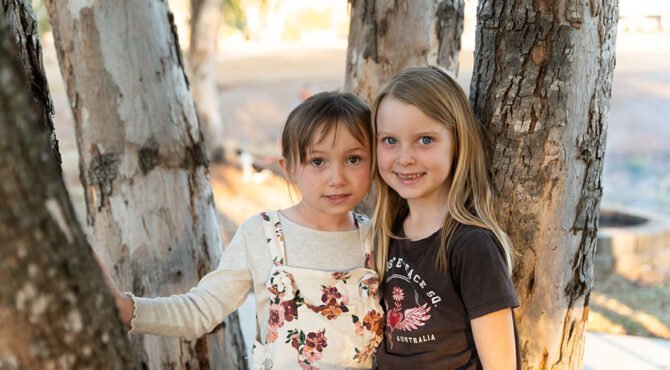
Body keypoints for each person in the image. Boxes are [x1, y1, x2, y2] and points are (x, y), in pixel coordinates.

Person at [95, 91, 385, 370]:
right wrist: (126, 308)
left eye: (353, 159)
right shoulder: (262, 235)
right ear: (289, 168)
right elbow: (202, 309)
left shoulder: (377, 241)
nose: (337, 178)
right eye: (318, 161)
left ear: (373, 162)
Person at [370, 66, 520, 370]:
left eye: (425, 140)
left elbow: (501, 365)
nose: (404, 158)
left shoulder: (472, 245)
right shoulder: (386, 234)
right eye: (390, 140)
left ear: (457, 143)